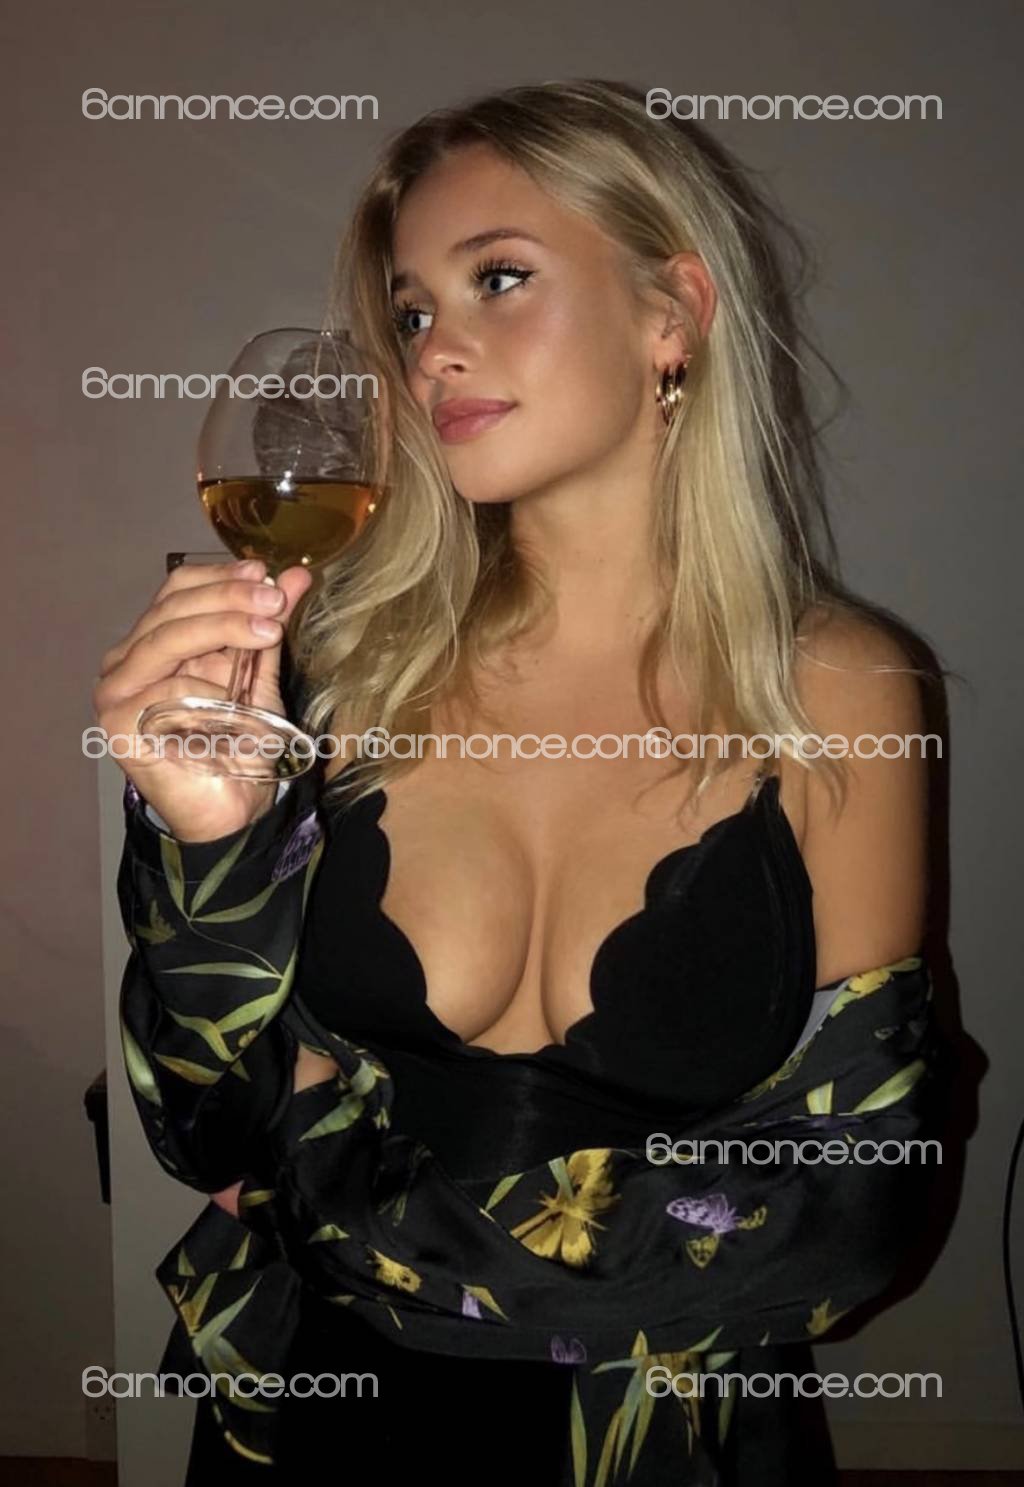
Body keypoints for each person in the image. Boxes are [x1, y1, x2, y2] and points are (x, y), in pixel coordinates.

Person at [94, 80, 941, 1486]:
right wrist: (203, 852)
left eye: (499, 277)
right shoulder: (340, 675)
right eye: (412, 310)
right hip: (326, 1422)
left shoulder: (840, 693)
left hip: (661, 1449)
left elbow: (850, 1220)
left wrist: (330, 1198)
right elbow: (202, 1130)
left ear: (674, 313)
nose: (436, 348)